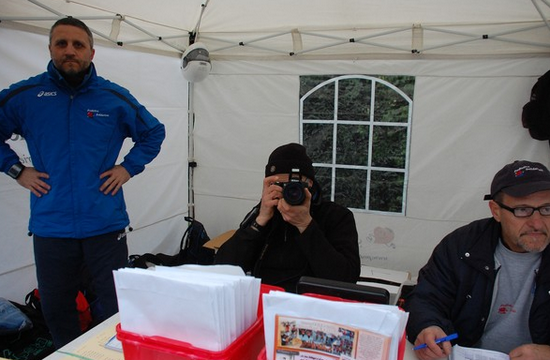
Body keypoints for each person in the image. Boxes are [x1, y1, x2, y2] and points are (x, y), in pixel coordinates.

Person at [0, 17, 165, 348]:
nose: (69, 51)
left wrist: (128, 168)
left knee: (116, 307)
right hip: (51, 226)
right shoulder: (26, 96)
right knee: (58, 309)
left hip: (104, 224)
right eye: (61, 43)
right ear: (50, 49)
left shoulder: (113, 98)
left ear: (92, 52)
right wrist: (17, 170)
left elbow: (153, 132)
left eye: (78, 44)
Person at [404, 160, 550, 360]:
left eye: (547, 209)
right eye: (522, 210)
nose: (536, 222)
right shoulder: (462, 245)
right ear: (496, 211)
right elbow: (426, 297)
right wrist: (428, 326)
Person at [214, 143, 361, 292]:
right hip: (264, 299)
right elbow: (222, 268)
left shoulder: (336, 216)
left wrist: (306, 225)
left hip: (312, 303)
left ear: (310, 183)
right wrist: (259, 223)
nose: (289, 192)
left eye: (295, 185)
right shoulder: (264, 213)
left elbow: (347, 278)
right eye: (279, 185)